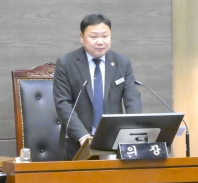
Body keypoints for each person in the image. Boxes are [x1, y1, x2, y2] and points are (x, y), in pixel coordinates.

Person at [53, 14, 142, 160]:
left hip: (114, 142)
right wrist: (82, 136)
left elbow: (133, 99)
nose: (100, 42)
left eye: (105, 36)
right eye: (94, 37)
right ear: (81, 37)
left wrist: (132, 130)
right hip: (78, 144)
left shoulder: (122, 62)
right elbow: (63, 103)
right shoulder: (66, 63)